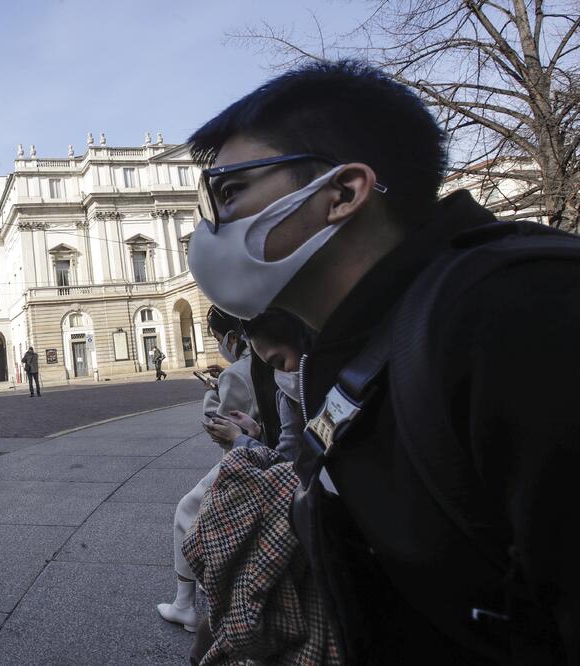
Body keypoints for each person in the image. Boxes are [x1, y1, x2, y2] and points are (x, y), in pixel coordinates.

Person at [187, 60, 578, 663]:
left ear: (342, 193)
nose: (209, 228)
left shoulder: (522, 312)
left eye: (231, 192)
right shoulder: (349, 348)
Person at [158, 306, 259, 632]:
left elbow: (221, 429)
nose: (219, 344)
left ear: (232, 337)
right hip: (264, 452)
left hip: (249, 457)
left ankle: (185, 604)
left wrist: (213, 393)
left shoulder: (238, 372)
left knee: (188, 510)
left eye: (218, 338)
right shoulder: (256, 363)